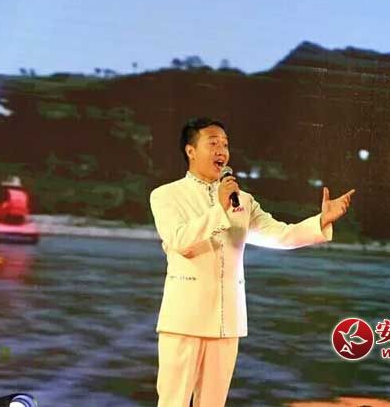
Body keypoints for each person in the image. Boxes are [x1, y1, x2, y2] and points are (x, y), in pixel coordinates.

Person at [150, 117, 355, 407]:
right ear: (191, 151)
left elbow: (280, 235)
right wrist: (220, 208)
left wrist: (321, 220)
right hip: (184, 319)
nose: (221, 150)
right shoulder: (166, 195)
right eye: (213, 143)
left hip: (227, 322)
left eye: (225, 145)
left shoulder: (242, 200)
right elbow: (180, 240)